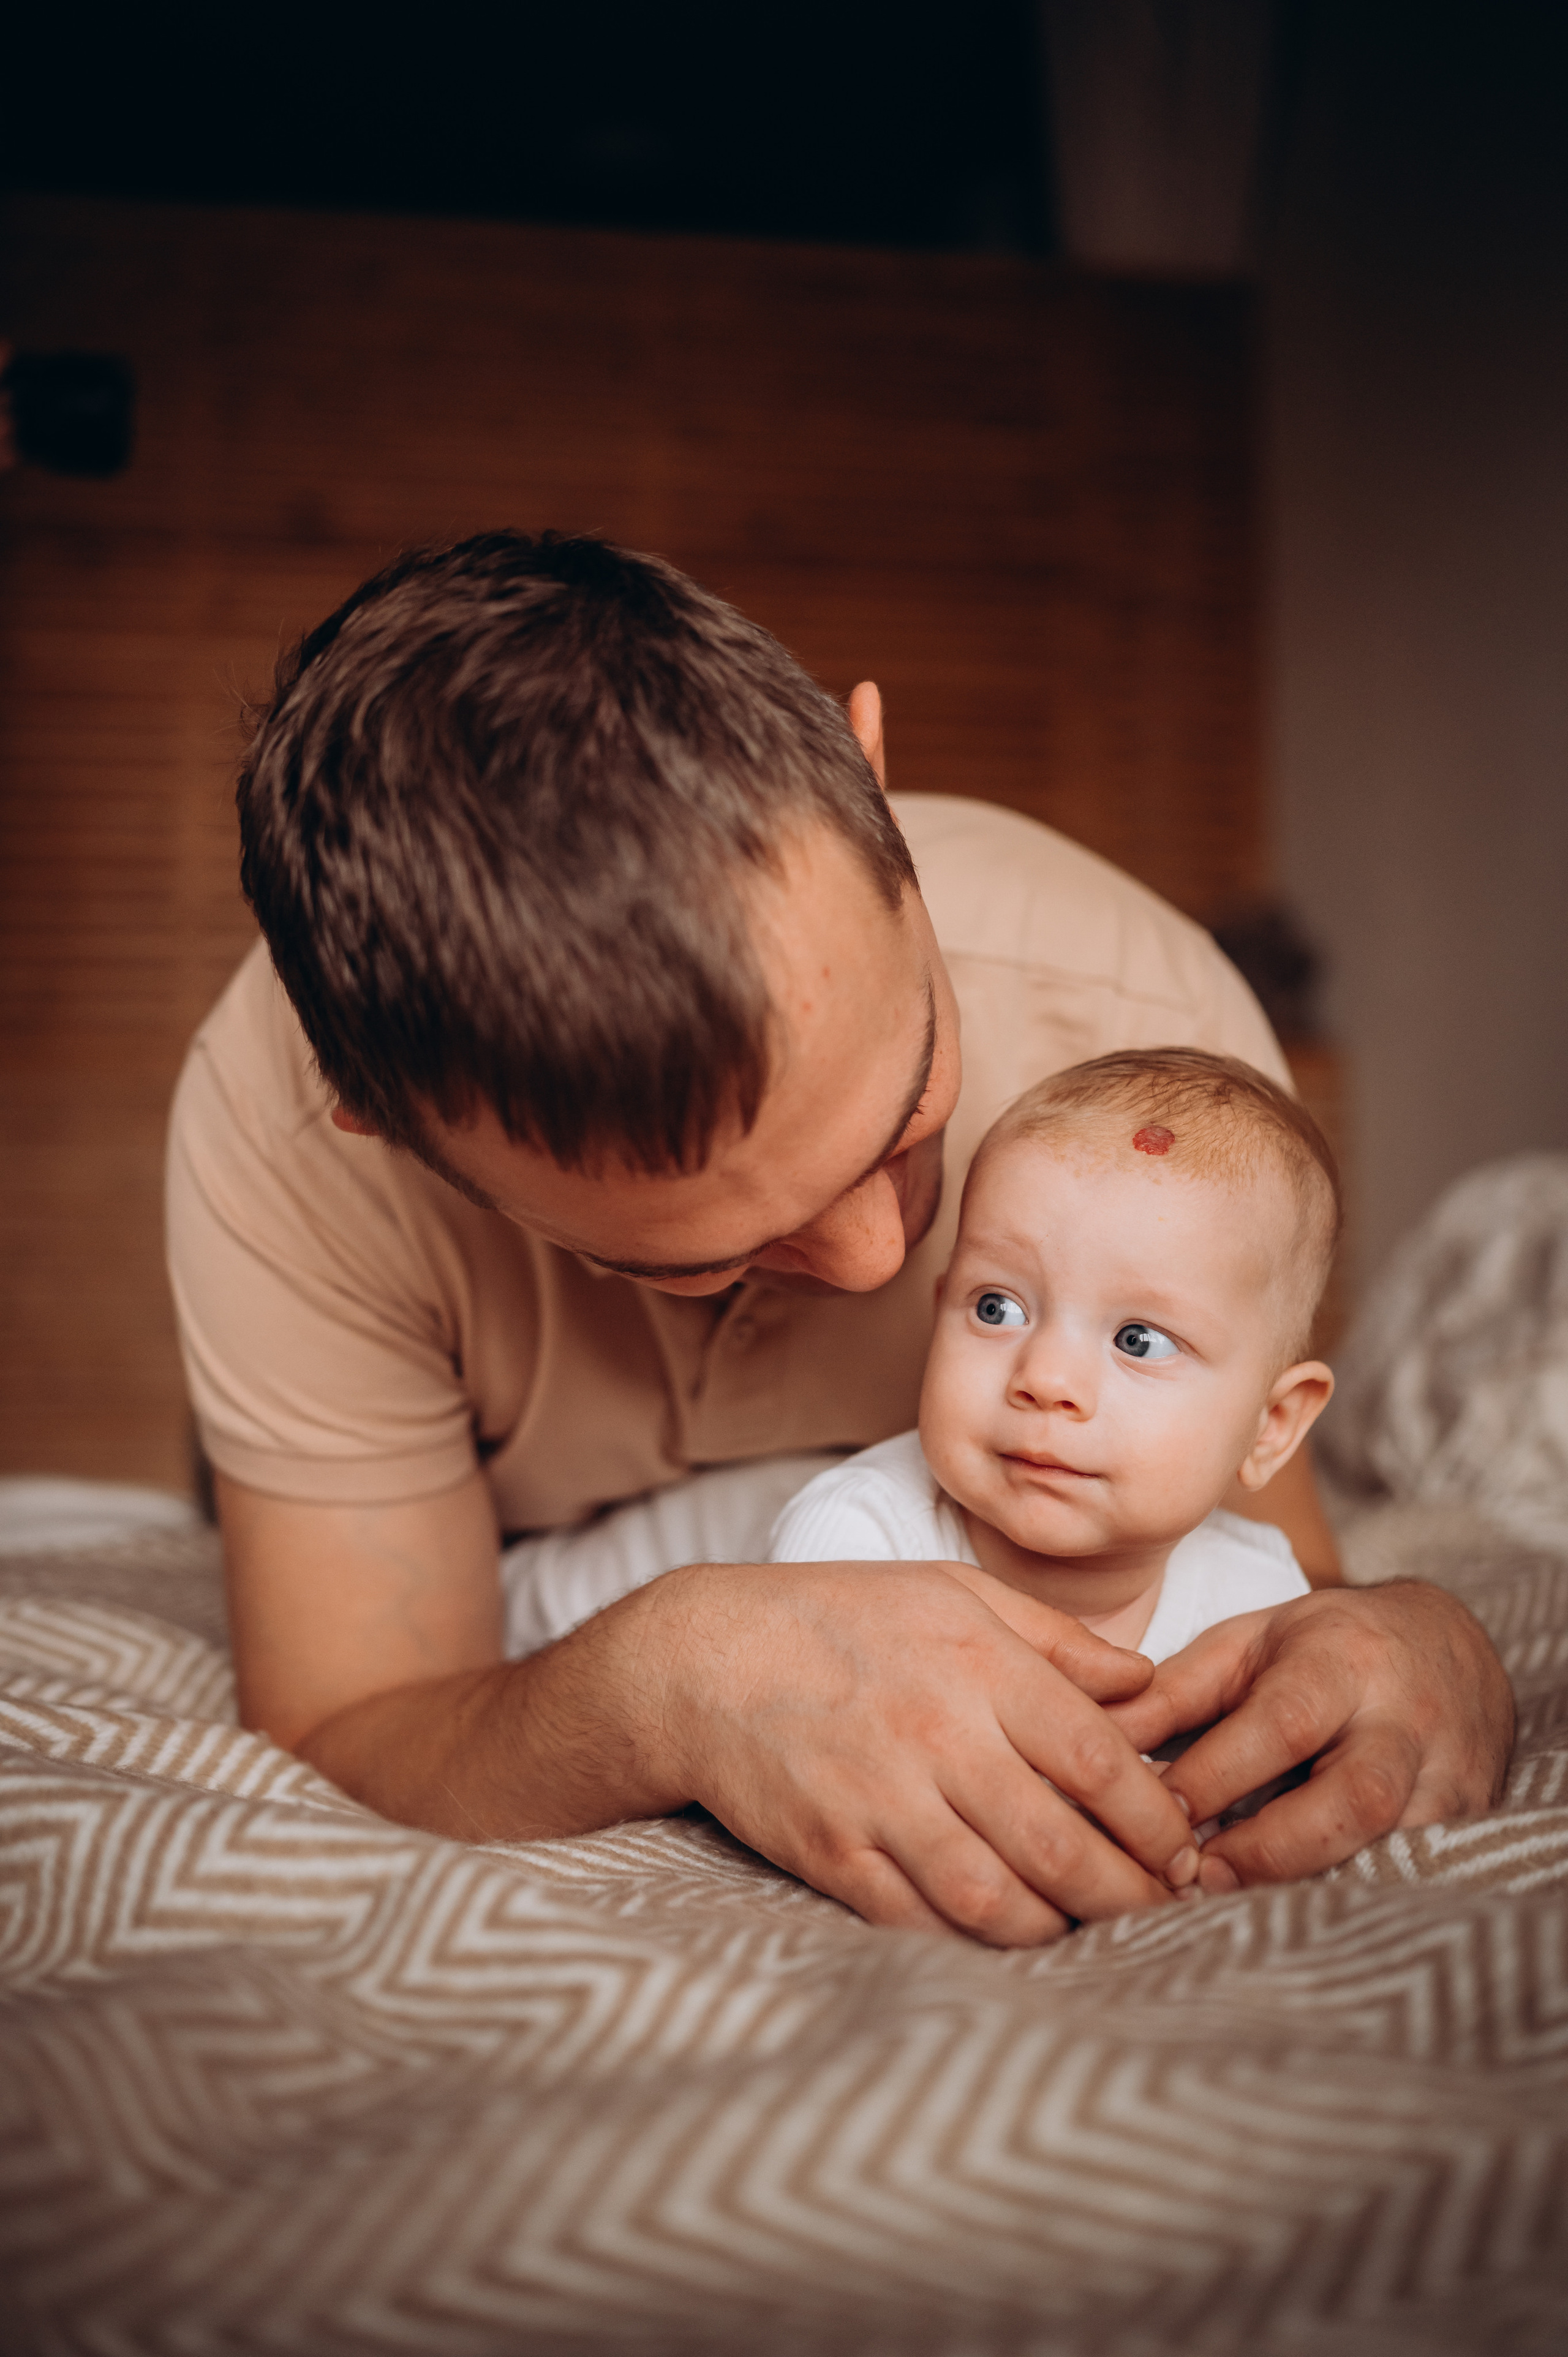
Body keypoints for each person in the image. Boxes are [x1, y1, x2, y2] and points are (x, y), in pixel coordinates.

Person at [167, 530, 1513, 1951]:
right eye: (697, 1249)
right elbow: (350, 1721)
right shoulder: (284, 1142)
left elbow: (1255, 1559)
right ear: (389, 1125)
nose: (885, 1262)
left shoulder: (1132, 1014)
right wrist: (673, 1677)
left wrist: (1419, 1635)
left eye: (912, 1099)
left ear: (866, 776)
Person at [769, 1050, 1336, 1679]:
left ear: (1272, 1425)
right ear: (940, 1316)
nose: (1046, 1380)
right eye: (996, 1307)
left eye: (1139, 1340)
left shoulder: (1263, 1605)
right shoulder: (854, 1545)